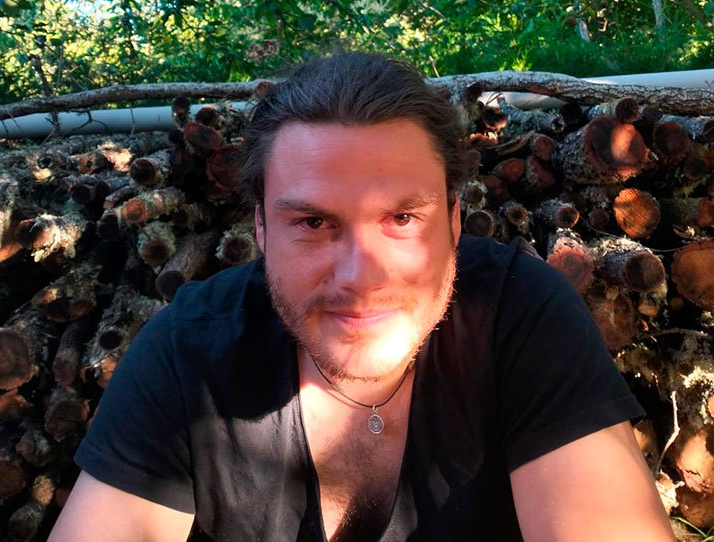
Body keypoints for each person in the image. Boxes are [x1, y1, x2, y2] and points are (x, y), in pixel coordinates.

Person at [49, 52, 674, 541]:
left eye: (402, 219)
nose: (360, 276)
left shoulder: (520, 316)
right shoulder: (188, 353)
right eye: (313, 222)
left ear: (455, 221)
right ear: (261, 230)